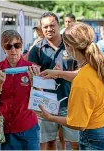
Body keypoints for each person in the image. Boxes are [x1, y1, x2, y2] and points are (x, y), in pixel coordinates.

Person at [39, 22, 104, 150]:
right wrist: (59, 73)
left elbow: (78, 124)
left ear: (68, 47)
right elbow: (86, 76)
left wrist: (50, 117)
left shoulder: (82, 83)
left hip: (97, 135)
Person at [28, 12, 79, 150]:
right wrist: (36, 77)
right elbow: (32, 77)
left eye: (52, 25)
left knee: (75, 143)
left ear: (59, 25)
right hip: (46, 103)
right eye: (45, 27)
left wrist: (60, 74)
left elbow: (83, 74)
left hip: (71, 102)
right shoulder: (37, 50)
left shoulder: (72, 45)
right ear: (41, 28)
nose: (49, 29)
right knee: (50, 142)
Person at [0, 30, 40, 150]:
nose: (13, 50)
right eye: (8, 46)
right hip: (0, 126)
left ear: (22, 46)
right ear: (3, 48)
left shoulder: (32, 68)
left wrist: (36, 83)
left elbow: (40, 101)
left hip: (27, 128)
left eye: (17, 45)